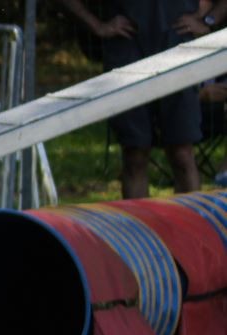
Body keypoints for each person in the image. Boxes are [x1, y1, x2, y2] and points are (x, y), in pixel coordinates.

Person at [57, 0, 216, 197]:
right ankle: (139, 224)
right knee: (135, 154)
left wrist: (209, 20)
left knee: (182, 153)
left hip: (179, 50)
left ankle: (190, 224)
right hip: (127, 51)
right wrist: (98, 26)